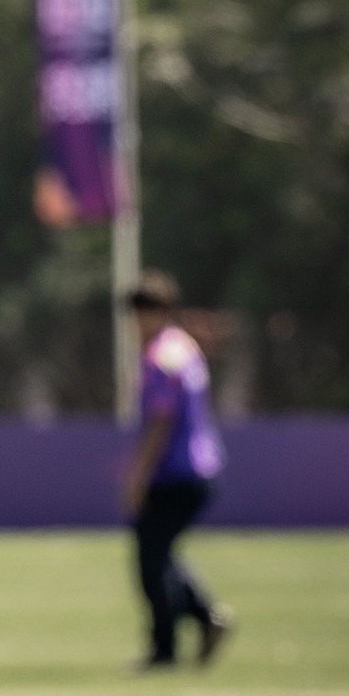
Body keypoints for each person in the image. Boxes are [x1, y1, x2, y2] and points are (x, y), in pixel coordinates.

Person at [122, 270, 232, 670]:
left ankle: (165, 648)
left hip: (177, 472)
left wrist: (138, 475)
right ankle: (206, 618)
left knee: (151, 558)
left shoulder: (162, 356)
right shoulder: (184, 349)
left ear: (164, 312)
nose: (139, 324)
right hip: (197, 469)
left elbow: (160, 421)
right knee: (159, 552)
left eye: (145, 314)